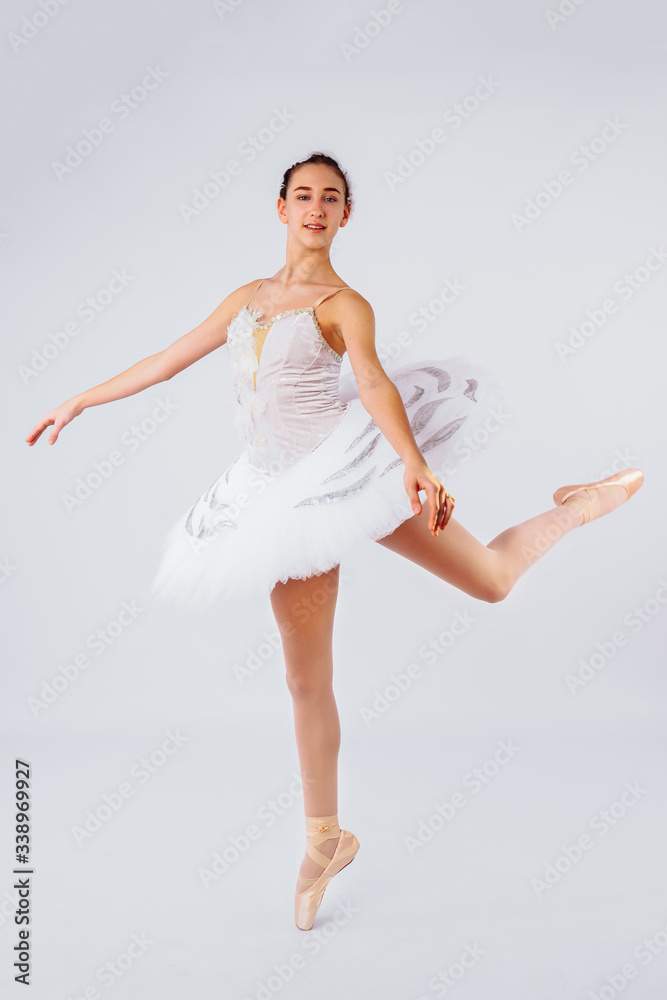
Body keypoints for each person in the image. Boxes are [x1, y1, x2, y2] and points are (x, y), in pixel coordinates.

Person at [26, 151, 644, 931]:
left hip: (349, 473)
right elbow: (168, 358)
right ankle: (325, 838)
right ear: (280, 207)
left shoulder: (344, 303)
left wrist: (415, 465)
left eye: (331, 199)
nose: (316, 208)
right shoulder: (247, 298)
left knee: (490, 580)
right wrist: (82, 398)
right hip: (273, 497)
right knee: (302, 681)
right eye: (304, 195)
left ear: (344, 216)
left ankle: (586, 502)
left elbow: (376, 384)